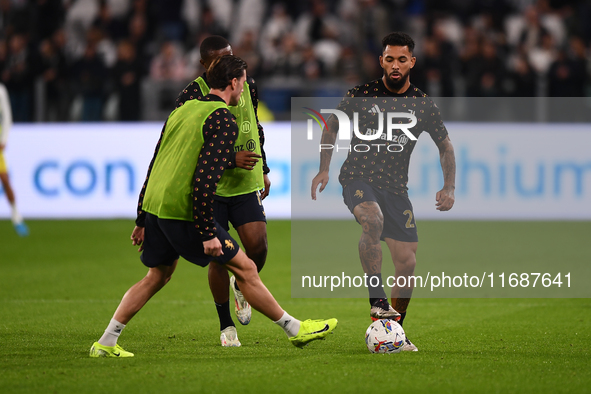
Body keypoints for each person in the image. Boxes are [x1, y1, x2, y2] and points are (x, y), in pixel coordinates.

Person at [90, 55, 337, 358]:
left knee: (158, 276)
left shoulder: (184, 109)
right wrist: (208, 232)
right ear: (233, 83)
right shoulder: (222, 118)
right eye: (244, 82)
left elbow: (157, 161)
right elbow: (205, 181)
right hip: (183, 211)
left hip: (157, 206)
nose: (245, 88)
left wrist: (142, 217)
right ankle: (294, 329)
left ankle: (106, 342)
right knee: (245, 267)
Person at [311, 32, 455, 352]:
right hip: (358, 179)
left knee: (407, 262)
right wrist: (325, 167)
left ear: (411, 62)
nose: (395, 64)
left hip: (396, 189)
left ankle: (393, 332)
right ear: (381, 61)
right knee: (372, 220)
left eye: (401, 59)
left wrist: (449, 186)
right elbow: (331, 125)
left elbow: (445, 146)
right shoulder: (361, 94)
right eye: (389, 59)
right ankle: (377, 300)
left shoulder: (422, 104)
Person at [174, 36, 271, 347]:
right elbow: (188, 143)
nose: (227, 63)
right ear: (204, 65)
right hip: (211, 185)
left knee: (258, 248)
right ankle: (226, 325)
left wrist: (264, 168)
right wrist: (231, 159)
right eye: (218, 60)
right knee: (218, 255)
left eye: (230, 56)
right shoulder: (192, 95)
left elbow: (254, 124)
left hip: (246, 181)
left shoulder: (246, 84)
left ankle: (241, 284)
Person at [0, 82, 28, 236]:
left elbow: (7, 116)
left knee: (4, 179)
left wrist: (3, 139)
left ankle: (16, 216)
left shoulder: (1, 90)